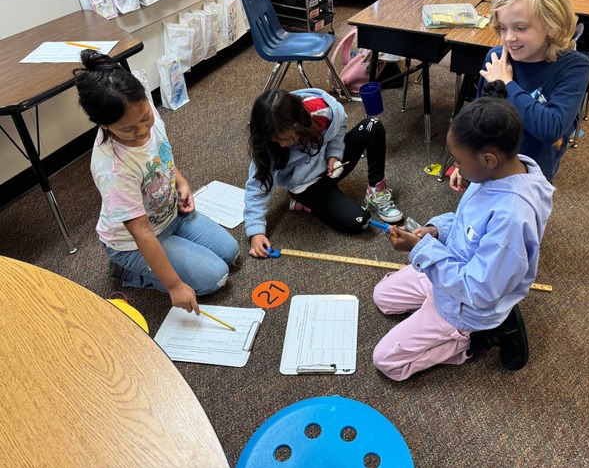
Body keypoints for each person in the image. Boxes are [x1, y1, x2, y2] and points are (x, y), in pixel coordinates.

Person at [372, 97, 554, 381]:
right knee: (382, 297)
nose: (453, 168)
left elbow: (478, 290)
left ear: (488, 160)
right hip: (452, 269)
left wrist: (422, 250)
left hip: (468, 304)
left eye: (458, 161)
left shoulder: (510, 218)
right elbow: (465, 225)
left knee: (387, 362)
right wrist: (435, 231)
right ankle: (436, 316)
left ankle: (473, 341)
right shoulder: (495, 174)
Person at [74, 50, 239, 314]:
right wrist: (174, 285)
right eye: (128, 130)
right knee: (216, 278)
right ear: (102, 125)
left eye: (144, 120)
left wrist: (180, 183)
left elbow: (162, 155)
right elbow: (141, 232)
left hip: (171, 215)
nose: (141, 132)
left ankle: (168, 260)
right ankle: (130, 271)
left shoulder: (143, 111)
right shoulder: (113, 169)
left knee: (230, 252)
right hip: (134, 240)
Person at [244, 87, 402, 258]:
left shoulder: (323, 112)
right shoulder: (267, 142)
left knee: (373, 126)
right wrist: (255, 231)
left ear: (298, 123)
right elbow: (257, 185)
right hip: (307, 185)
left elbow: (338, 131)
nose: (281, 144)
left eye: (285, 138)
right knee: (361, 222)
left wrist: (333, 156)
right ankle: (307, 203)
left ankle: (375, 192)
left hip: (331, 166)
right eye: (276, 140)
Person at [474, 0, 589, 183]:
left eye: (520, 28)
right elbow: (479, 118)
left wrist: (506, 84)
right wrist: (467, 159)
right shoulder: (497, 58)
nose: (508, 38)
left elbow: (550, 129)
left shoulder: (575, 67)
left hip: (532, 177)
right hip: (489, 167)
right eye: (502, 28)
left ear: (552, 26)